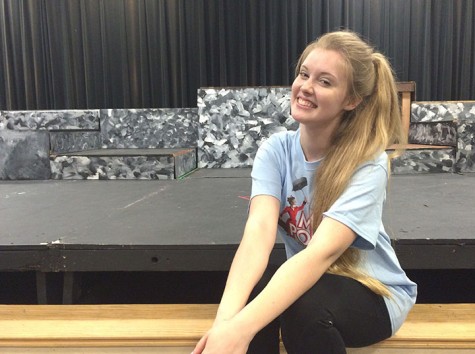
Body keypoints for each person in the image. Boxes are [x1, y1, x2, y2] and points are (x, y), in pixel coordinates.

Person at [193, 30, 417, 354]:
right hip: (316, 283)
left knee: (304, 310)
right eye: (304, 74)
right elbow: (257, 235)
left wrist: (240, 328)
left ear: (351, 100)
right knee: (253, 295)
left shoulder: (368, 163)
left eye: (325, 82)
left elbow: (318, 255)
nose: (306, 87)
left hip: (373, 292)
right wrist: (225, 326)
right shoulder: (276, 150)